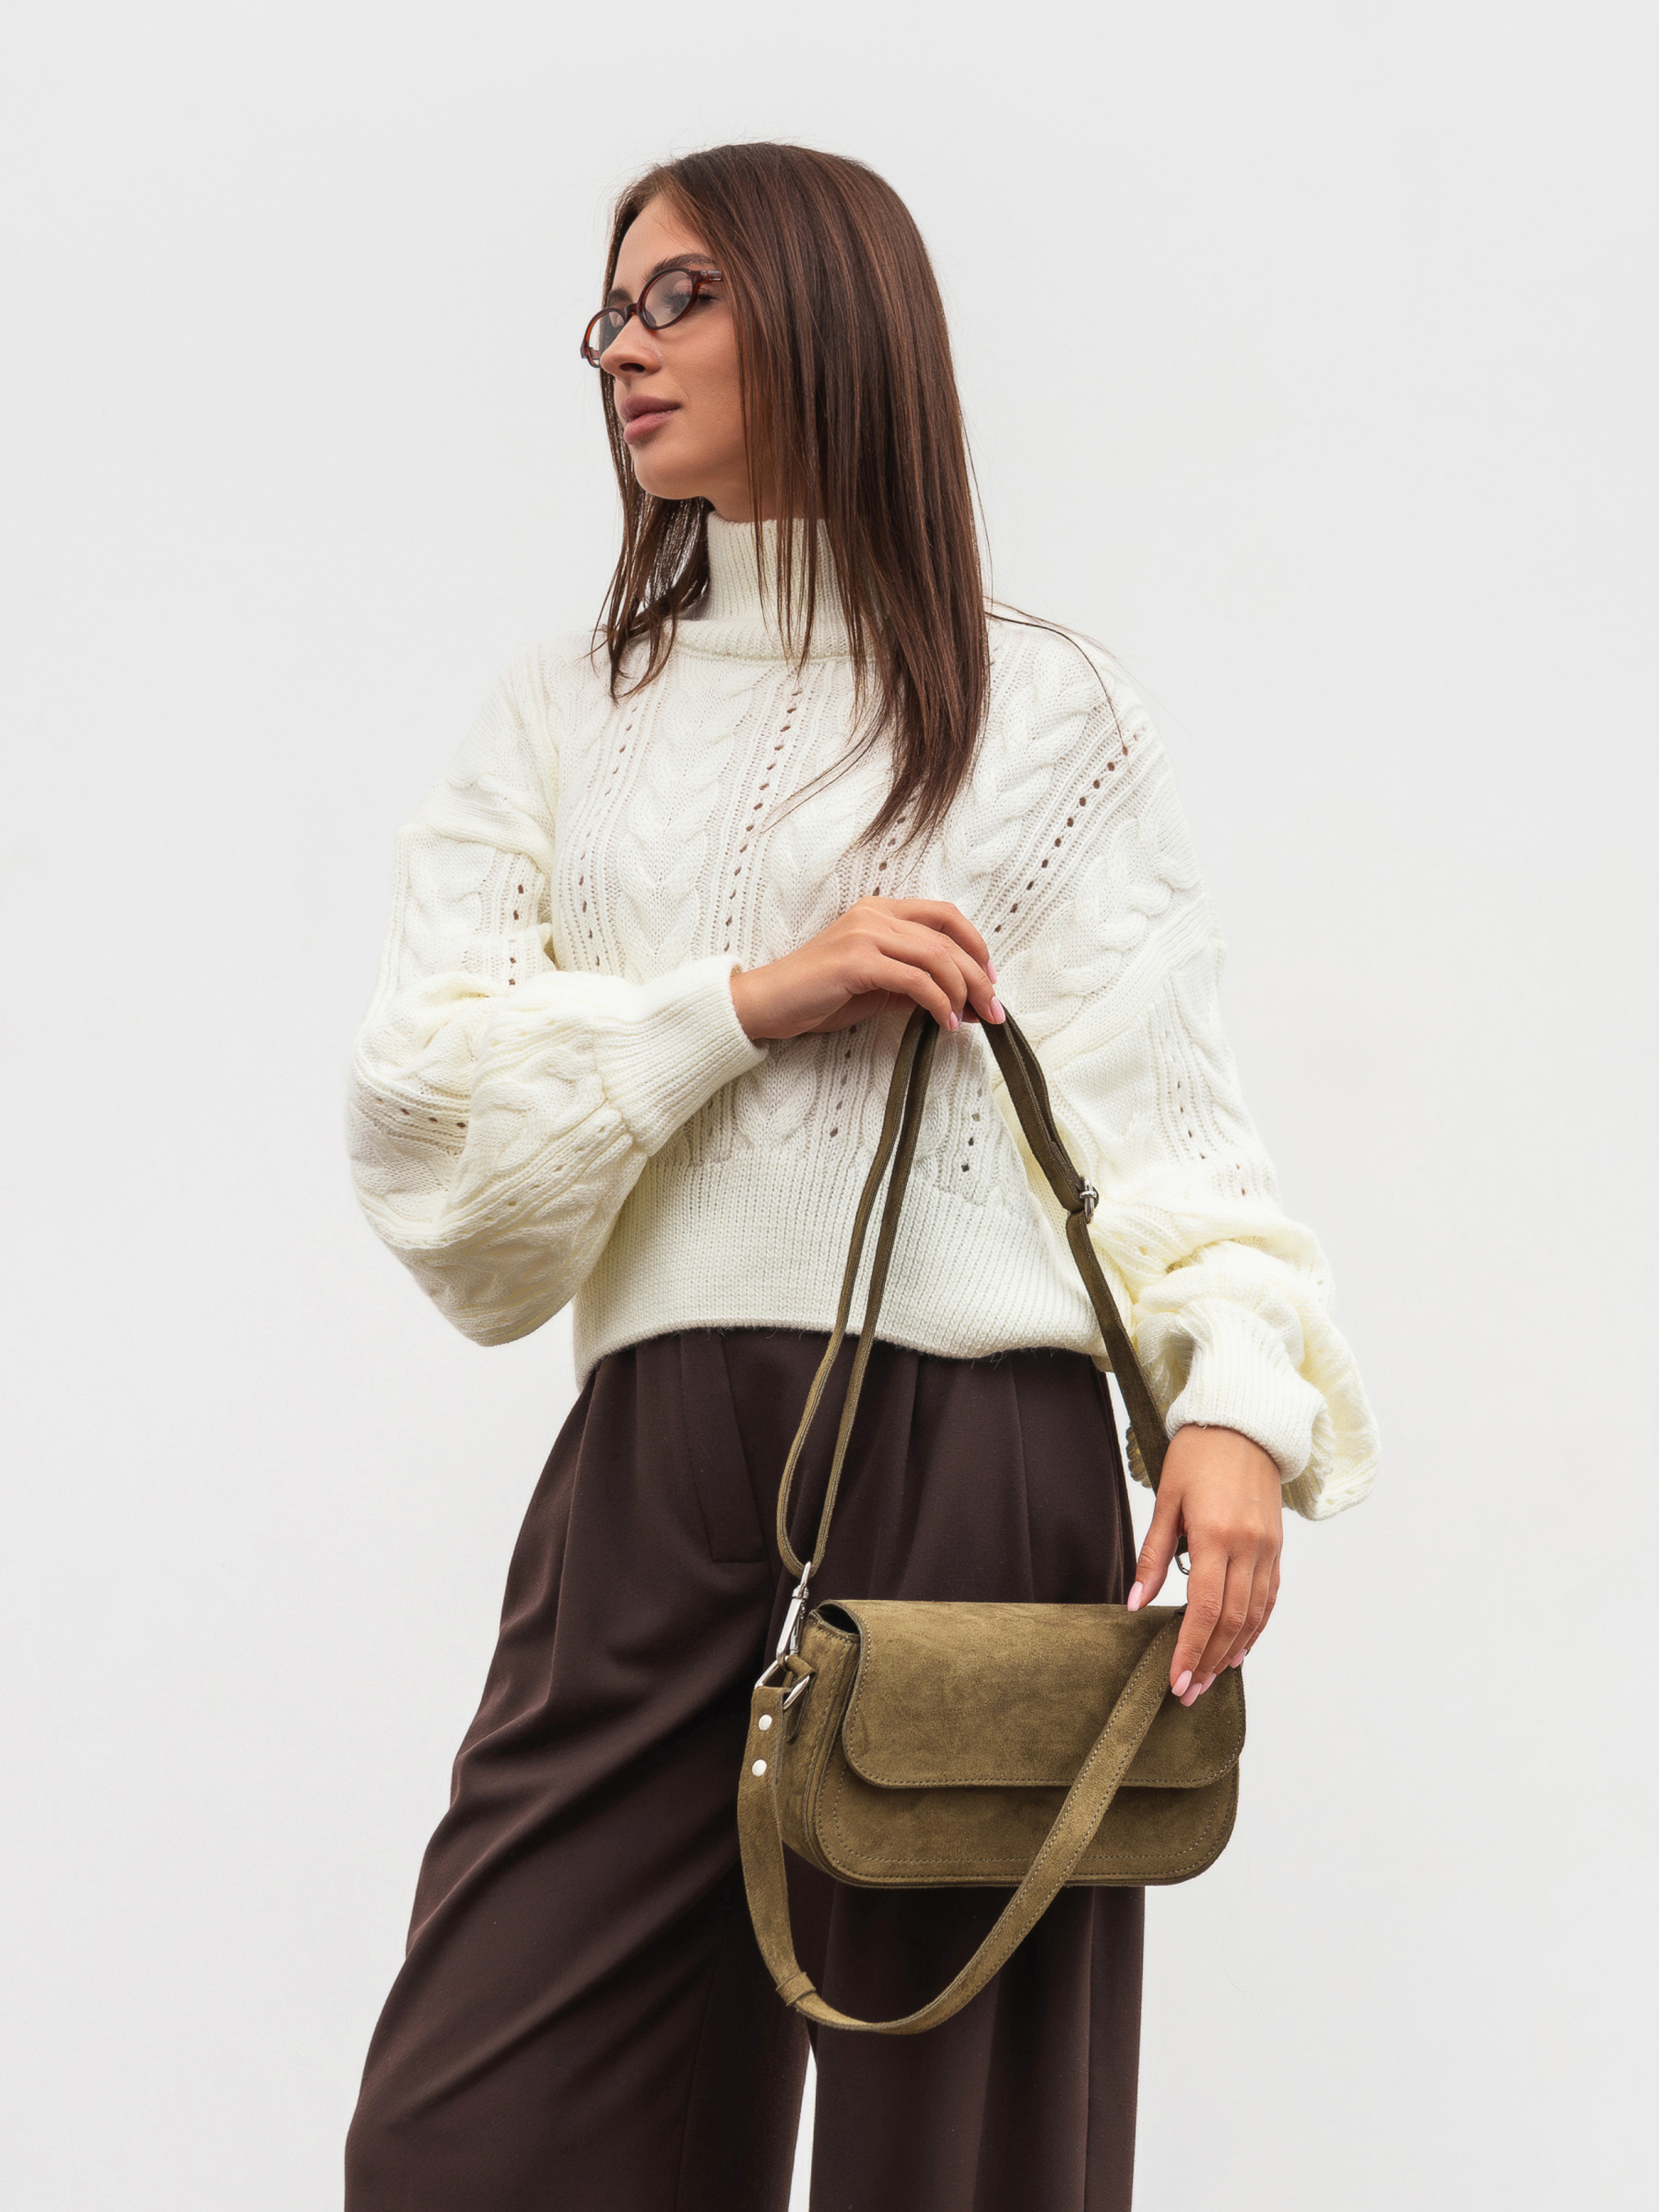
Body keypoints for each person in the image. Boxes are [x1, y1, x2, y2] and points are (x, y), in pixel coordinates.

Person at [341, 141, 1377, 2212]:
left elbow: (1171, 1127)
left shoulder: (1039, 710)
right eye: (608, 309)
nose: (618, 349)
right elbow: (422, 1111)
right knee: (468, 2137)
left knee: (958, 2150)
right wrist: (743, 1002)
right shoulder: (564, 715)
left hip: (971, 1458)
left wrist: (1235, 1410)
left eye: (679, 298)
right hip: (652, 1466)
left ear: (828, 312)